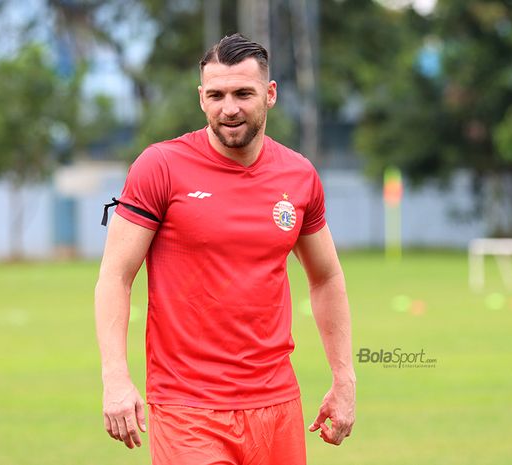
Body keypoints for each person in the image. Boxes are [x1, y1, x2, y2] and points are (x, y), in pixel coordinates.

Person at [95, 33, 355, 465]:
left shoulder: (299, 176)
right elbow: (115, 277)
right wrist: (115, 377)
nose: (228, 108)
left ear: (270, 95)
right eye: (215, 95)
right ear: (201, 98)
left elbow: (326, 277)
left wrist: (344, 380)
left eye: (242, 93)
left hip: (276, 405)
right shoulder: (159, 167)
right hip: (187, 407)